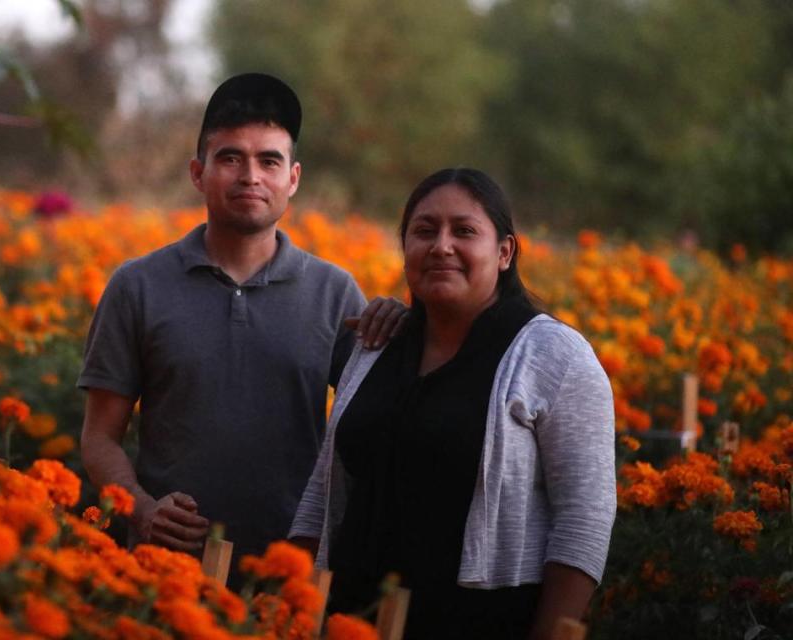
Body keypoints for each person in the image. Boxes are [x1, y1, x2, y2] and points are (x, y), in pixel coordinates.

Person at [77, 73, 406, 568]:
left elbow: (378, 427)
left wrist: (399, 331)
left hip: (286, 571)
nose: (250, 176)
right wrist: (142, 511)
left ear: (292, 179)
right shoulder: (138, 286)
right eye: (230, 158)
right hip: (163, 570)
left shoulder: (334, 293)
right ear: (197, 172)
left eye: (269, 160)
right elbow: (99, 436)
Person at [289, 168, 616, 639]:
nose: (441, 245)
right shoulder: (376, 346)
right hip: (354, 618)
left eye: (464, 231)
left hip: (483, 621)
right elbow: (324, 493)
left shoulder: (554, 356)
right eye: (424, 231)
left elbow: (585, 516)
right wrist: (289, 610)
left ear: (504, 252)